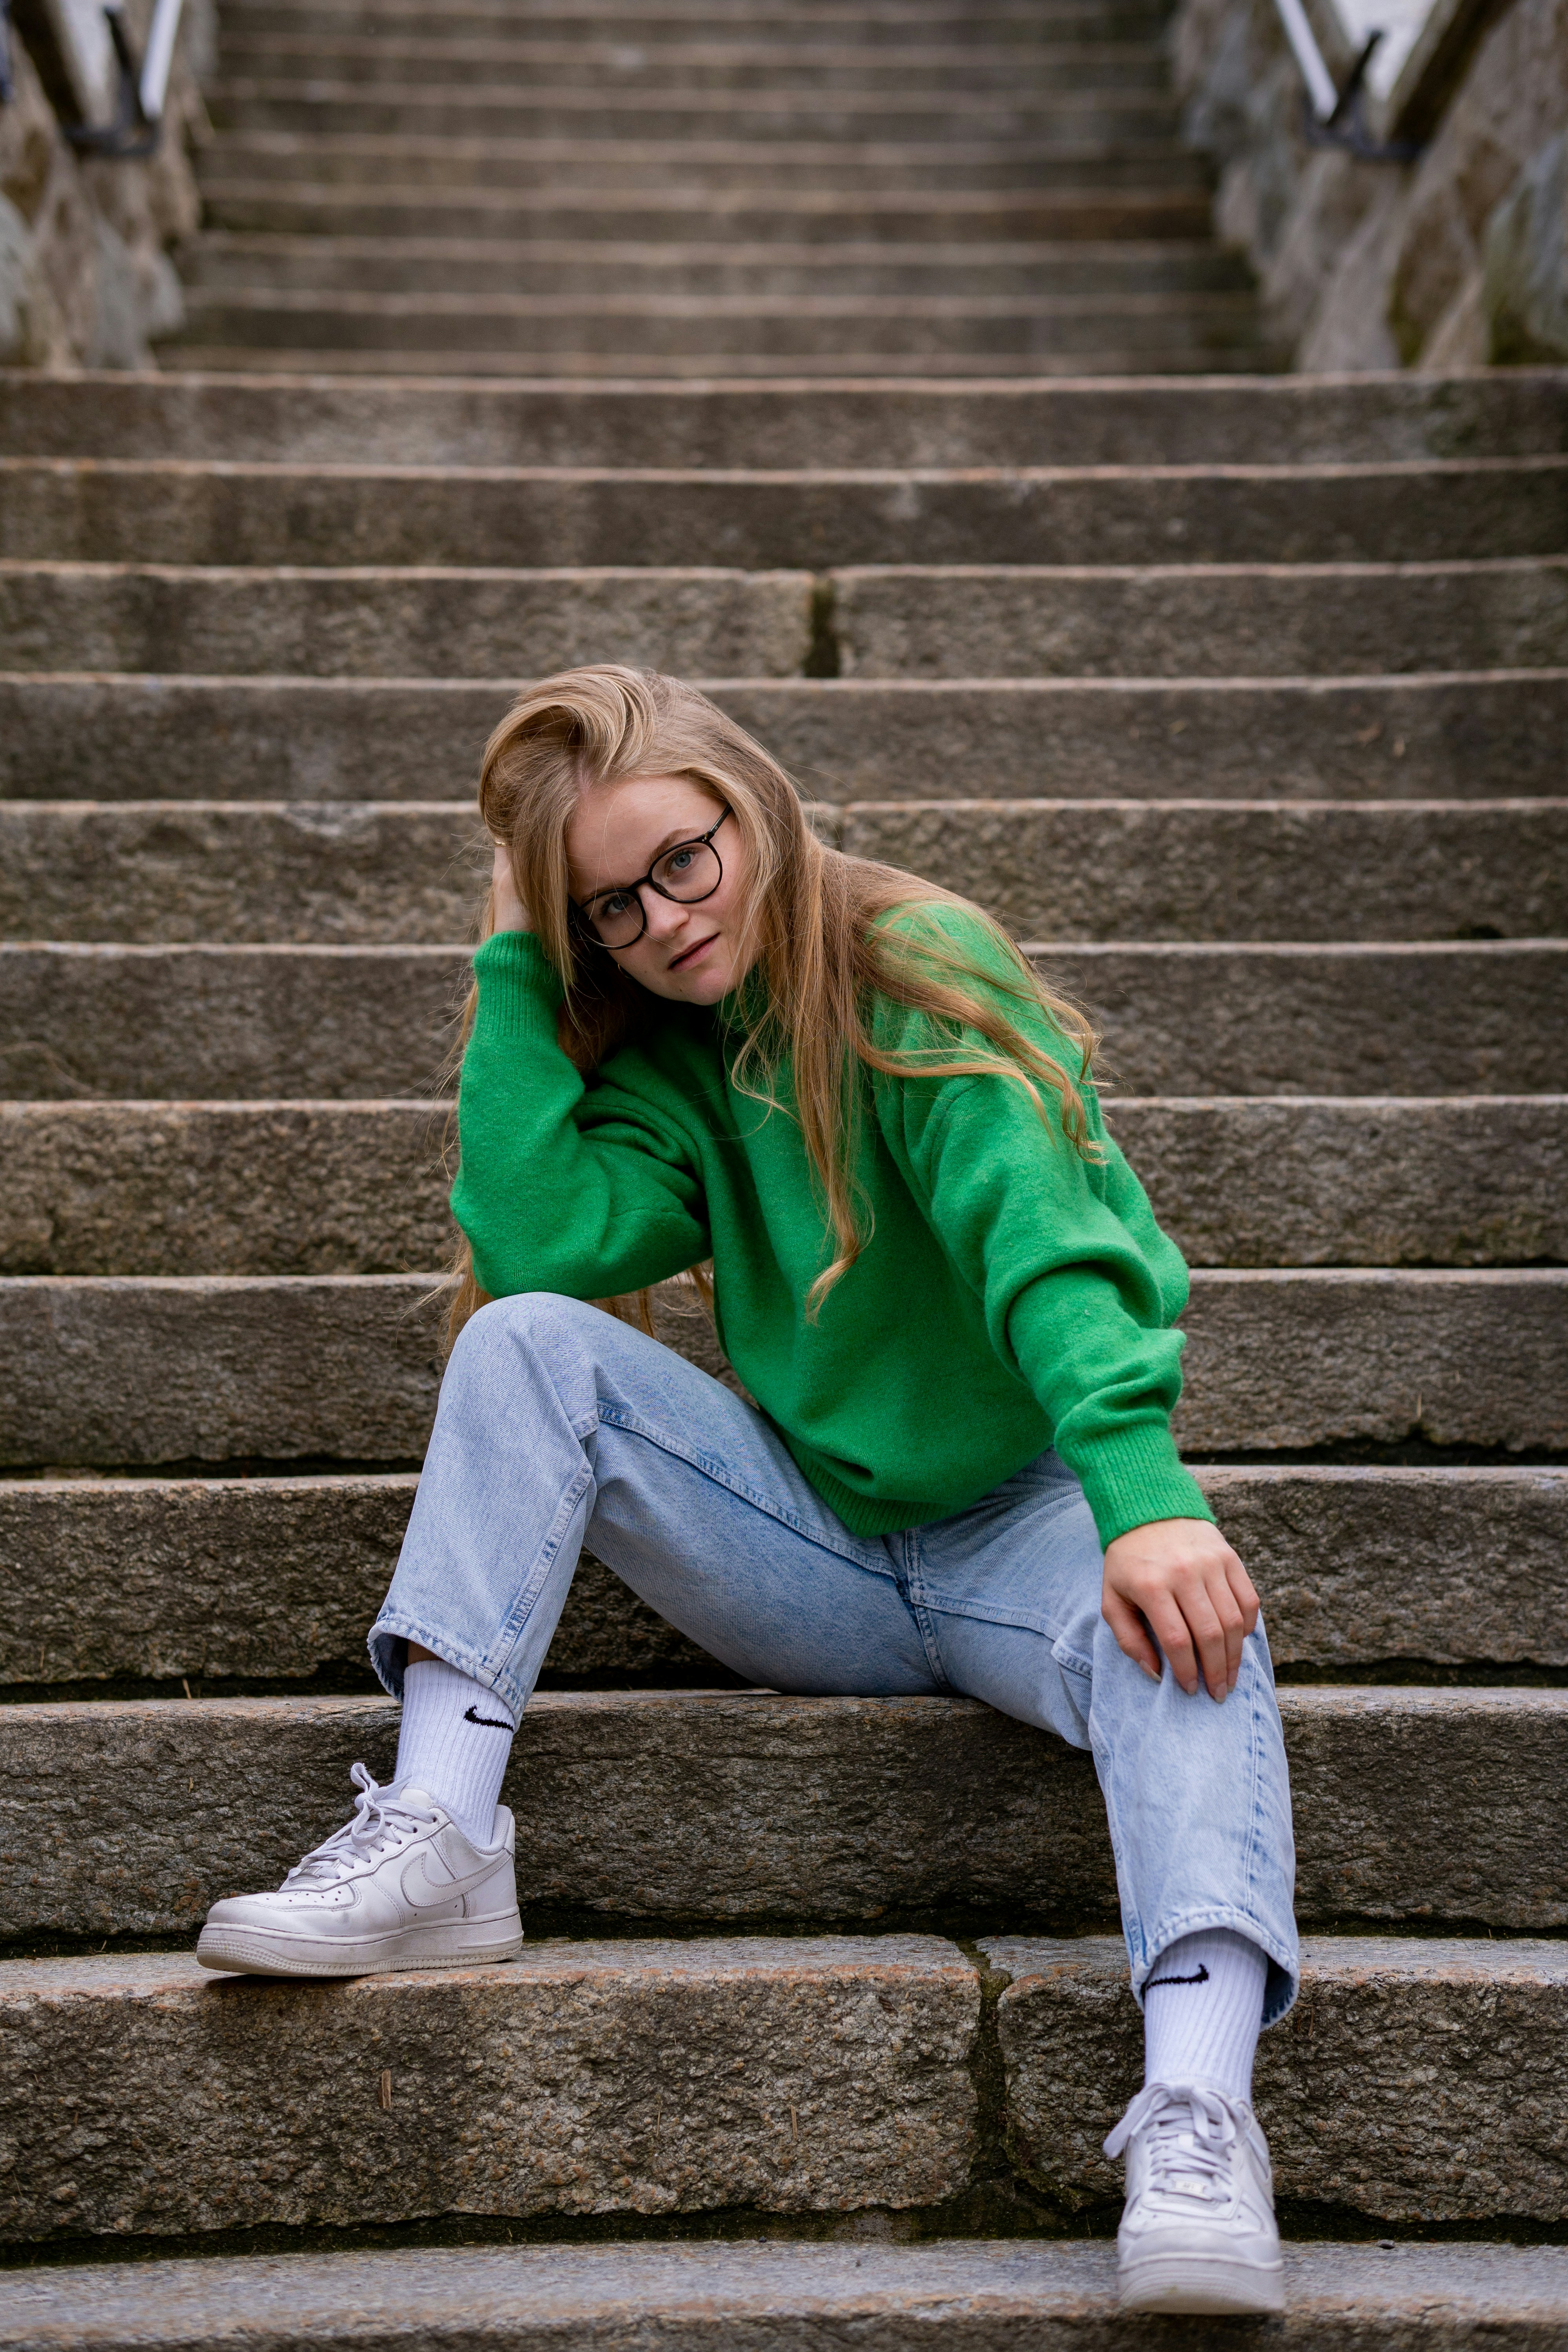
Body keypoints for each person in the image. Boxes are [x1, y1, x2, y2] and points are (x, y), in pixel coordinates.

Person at [198, 666, 1298, 2316]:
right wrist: (514, 947)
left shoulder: (909, 967)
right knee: (528, 1346)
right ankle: (443, 1827)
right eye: (610, 908)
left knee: (1190, 1630)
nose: (660, 920)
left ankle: (1199, 2113)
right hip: (816, 1555)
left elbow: (1045, 1244)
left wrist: (1141, 1493)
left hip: (1029, 1533)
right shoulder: (669, 1059)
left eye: (683, 862)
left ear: (754, 809)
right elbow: (540, 1245)